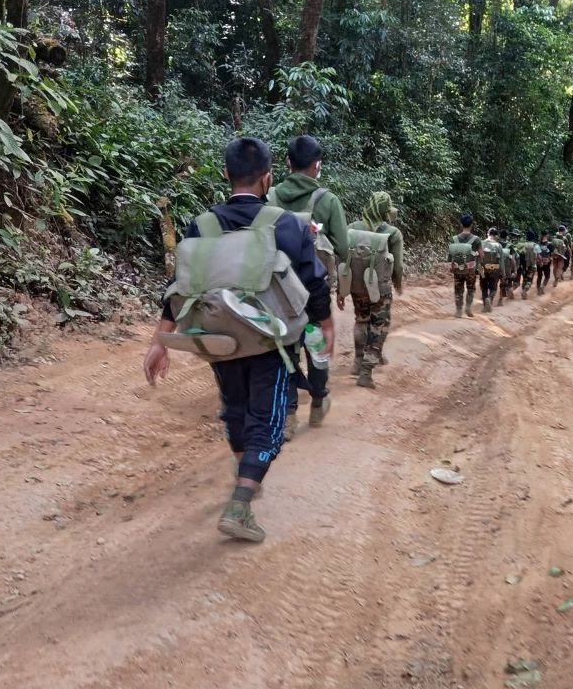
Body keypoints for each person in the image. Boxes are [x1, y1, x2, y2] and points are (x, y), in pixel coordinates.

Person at [143, 137, 334, 542]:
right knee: (270, 419)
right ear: (268, 178)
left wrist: (160, 341)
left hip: (221, 339)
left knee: (235, 407)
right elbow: (314, 281)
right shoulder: (287, 224)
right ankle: (241, 503)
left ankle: (246, 468)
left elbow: (180, 285)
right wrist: (325, 326)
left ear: (226, 174)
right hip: (272, 342)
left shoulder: (203, 225)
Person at [268, 134, 348, 436]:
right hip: (313, 290)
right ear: (317, 165)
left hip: (277, 290)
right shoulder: (327, 200)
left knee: (285, 348)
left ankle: (288, 415)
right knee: (316, 344)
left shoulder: (270, 196)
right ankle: (317, 401)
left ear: (288, 162)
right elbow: (343, 247)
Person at [348, 191, 403, 389]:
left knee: (361, 320)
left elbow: (344, 255)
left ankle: (358, 361)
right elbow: (398, 265)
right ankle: (366, 373)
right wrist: (398, 282)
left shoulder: (352, 228)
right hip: (380, 287)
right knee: (379, 325)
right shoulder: (393, 233)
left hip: (357, 285)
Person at [449, 213, 483, 317]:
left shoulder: (454, 239)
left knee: (458, 290)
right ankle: (468, 307)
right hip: (470, 270)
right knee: (471, 289)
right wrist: (478, 264)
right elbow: (481, 255)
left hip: (457, 269)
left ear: (461, 224)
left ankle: (459, 311)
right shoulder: (476, 239)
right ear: (471, 225)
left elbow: (450, 256)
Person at [479, 227, 504, 310]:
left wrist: (476, 269)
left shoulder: (481, 243)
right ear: (496, 236)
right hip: (494, 268)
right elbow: (501, 261)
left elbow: (476, 257)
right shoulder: (498, 245)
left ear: (487, 234)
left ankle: (485, 306)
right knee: (493, 288)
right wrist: (503, 272)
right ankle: (489, 299)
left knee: (484, 287)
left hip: (482, 269)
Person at [519, 229, 539, 298]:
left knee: (524, 279)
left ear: (526, 237)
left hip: (524, 265)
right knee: (529, 280)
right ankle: (525, 291)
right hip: (532, 266)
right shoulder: (535, 245)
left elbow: (519, 255)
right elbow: (538, 256)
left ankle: (523, 292)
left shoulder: (523, 245)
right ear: (533, 237)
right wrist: (539, 262)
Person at [536, 230, 552, 294]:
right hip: (546, 262)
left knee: (539, 276)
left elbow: (536, 253)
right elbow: (551, 253)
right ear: (547, 235)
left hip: (539, 262)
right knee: (547, 276)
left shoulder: (537, 244)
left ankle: (538, 290)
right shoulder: (549, 244)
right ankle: (542, 286)